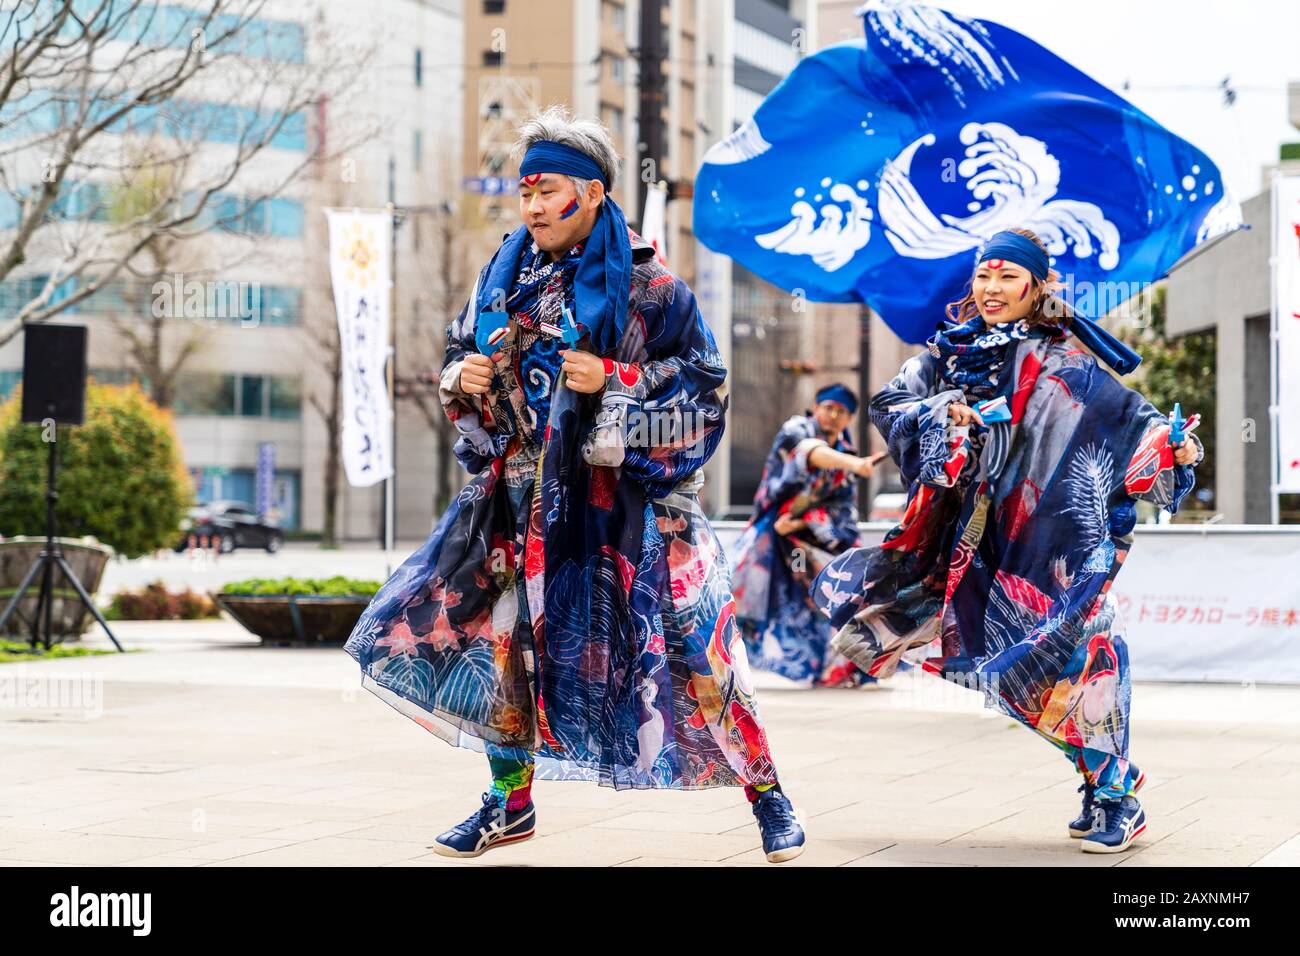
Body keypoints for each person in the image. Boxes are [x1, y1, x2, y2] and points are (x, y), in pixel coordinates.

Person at [344, 106, 805, 863]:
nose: (529, 206)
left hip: (637, 511)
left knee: (702, 655)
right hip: (518, 504)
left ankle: (769, 797)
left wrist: (619, 377)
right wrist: (461, 375)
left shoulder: (655, 291)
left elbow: (706, 392)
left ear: (591, 194)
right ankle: (509, 803)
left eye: (545, 189)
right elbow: (460, 367)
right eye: (522, 191)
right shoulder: (501, 279)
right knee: (504, 652)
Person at [814, 229, 1202, 854]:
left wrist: (1180, 448)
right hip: (975, 545)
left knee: (1080, 661)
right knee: (1012, 673)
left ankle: (1117, 797)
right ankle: (1103, 778)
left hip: (1059, 546)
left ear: (1036, 287)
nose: (992, 289)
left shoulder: (1067, 362)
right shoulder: (947, 354)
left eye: (1008, 277)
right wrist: (944, 411)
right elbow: (892, 404)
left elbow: (1138, 425)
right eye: (984, 276)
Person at [732, 385, 880, 686]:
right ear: (816, 407)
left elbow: (842, 507)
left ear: (849, 418)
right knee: (749, 599)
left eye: (842, 412)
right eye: (829, 408)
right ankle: (726, 662)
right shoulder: (796, 429)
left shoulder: (845, 449)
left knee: (826, 597)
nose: (833, 416)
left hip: (807, 541)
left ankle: (834, 667)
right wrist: (852, 464)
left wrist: (804, 523)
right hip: (773, 539)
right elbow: (807, 453)